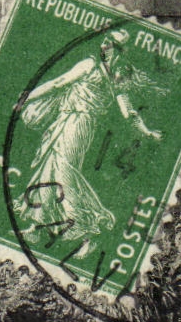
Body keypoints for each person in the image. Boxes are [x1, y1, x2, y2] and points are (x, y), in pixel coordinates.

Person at [13, 30, 164, 255]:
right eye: (104, 42)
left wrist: (146, 131)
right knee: (49, 169)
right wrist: (27, 98)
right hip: (66, 120)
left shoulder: (113, 76)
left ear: (119, 50)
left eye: (109, 44)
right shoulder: (94, 66)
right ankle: (38, 226)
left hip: (79, 124)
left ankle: (89, 226)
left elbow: (128, 112)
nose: (104, 46)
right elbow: (58, 83)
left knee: (64, 171)